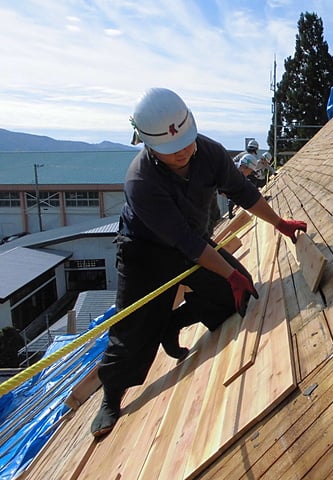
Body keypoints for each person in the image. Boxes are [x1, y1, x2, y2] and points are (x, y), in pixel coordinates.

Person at [91, 87, 307, 438]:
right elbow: (186, 243)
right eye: (173, 150)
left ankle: (171, 324)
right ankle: (111, 398)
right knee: (131, 331)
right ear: (148, 145)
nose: (185, 151)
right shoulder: (141, 180)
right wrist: (227, 272)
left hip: (190, 241)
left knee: (237, 293)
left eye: (188, 142)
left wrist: (279, 224)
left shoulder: (208, 152)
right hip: (143, 252)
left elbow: (243, 192)